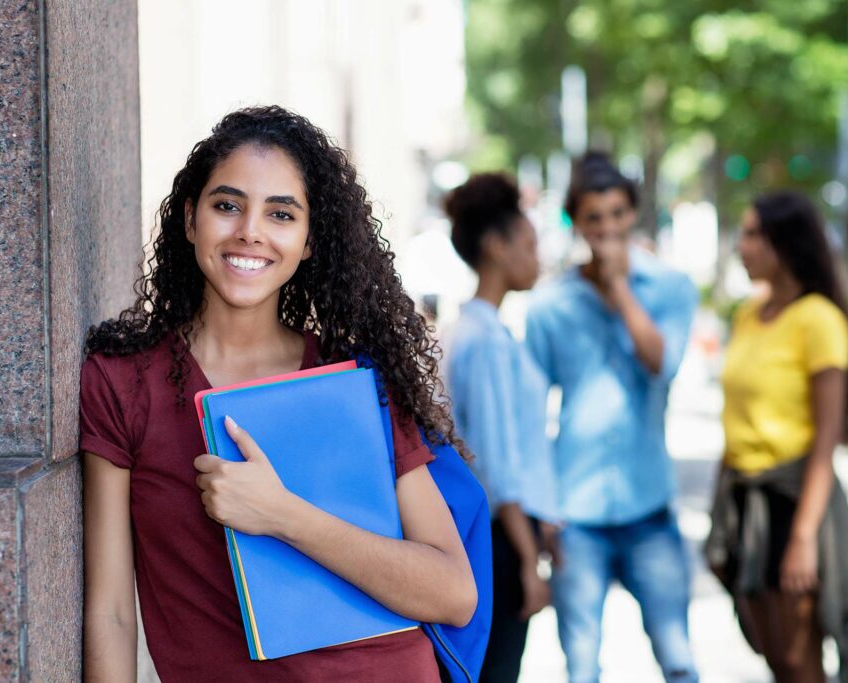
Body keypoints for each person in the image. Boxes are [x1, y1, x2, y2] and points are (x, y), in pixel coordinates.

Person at [80, 105, 477, 683]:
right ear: (190, 220)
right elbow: (112, 613)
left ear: (309, 239)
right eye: (227, 205)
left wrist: (282, 514)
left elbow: (452, 593)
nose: (250, 231)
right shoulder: (121, 383)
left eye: (281, 213)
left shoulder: (356, 380)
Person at [525, 152, 698, 683]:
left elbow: (660, 366)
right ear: (576, 223)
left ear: (633, 215)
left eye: (617, 214)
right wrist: (543, 512)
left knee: (678, 660)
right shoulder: (549, 306)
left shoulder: (671, 288)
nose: (607, 228)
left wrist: (620, 287)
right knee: (581, 665)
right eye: (594, 217)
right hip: (576, 516)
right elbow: (532, 414)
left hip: (649, 506)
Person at [705, 191, 848, 683]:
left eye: (753, 234)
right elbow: (734, 418)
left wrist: (803, 539)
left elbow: (827, 441)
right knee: (772, 653)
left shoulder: (819, 320)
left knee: (800, 663)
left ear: (787, 243)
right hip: (743, 498)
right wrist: (719, 513)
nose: (742, 246)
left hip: (793, 500)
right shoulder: (747, 314)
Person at [441, 173, 560, 682]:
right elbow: (494, 464)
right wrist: (529, 560)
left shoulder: (465, 331)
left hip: (489, 532)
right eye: (530, 244)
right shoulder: (485, 341)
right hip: (497, 539)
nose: (538, 258)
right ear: (496, 246)